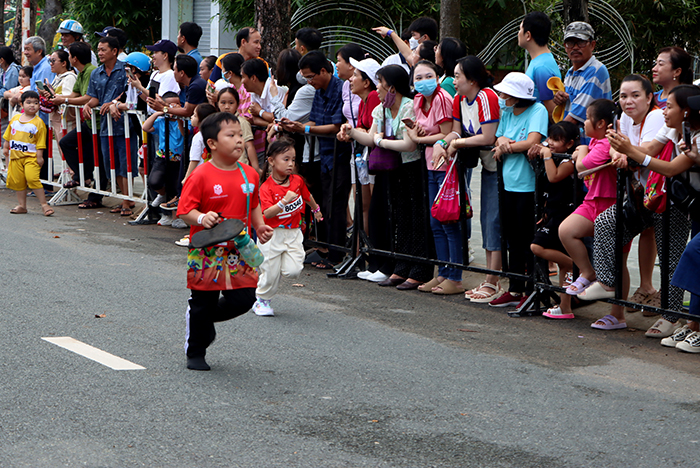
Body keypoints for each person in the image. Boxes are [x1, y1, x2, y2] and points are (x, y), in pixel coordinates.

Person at [592, 85, 698, 335]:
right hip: (649, 196)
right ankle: (606, 282)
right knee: (607, 222)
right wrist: (620, 147)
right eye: (623, 96)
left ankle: (672, 318)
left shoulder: (696, 135)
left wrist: (629, 151)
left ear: (686, 111)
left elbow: (670, 168)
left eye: (669, 106)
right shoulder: (665, 124)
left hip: (677, 201)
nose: (664, 110)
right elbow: (648, 150)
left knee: (672, 259)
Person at [176, 112, 273, 371]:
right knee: (202, 303)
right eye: (231, 135)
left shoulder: (250, 174)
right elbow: (185, 211)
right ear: (212, 144)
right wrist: (202, 216)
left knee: (244, 299)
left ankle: (203, 320)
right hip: (206, 250)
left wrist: (260, 225)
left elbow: (254, 206)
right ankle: (196, 351)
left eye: (240, 134)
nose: (239, 140)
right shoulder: (200, 175)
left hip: (239, 248)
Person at [343, 64, 433, 290]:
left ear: (392, 87)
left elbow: (409, 143)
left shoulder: (408, 107)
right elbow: (371, 137)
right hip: (392, 170)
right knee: (399, 219)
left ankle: (419, 269)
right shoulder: (381, 109)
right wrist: (351, 132)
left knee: (416, 219)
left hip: (411, 168)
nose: (377, 89)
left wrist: (380, 142)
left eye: (380, 84)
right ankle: (401, 267)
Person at [279, 50, 351, 268]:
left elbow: (336, 126)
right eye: (306, 79)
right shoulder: (318, 91)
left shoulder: (340, 89)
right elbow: (318, 123)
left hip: (340, 154)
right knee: (326, 204)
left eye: (311, 77)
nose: (310, 82)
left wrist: (306, 127)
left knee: (336, 205)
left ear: (323, 70)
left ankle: (336, 254)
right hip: (325, 155)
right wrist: (299, 127)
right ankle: (327, 249)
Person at [438, 56, 501, 303]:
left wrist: (456, 143)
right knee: (486, 219)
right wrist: (444, 142)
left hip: (501, 168)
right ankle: (489, 276)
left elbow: (488, 136)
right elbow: (456, 129)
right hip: (488, 167)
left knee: (494, 220)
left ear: (472, 80)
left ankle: (494, 280)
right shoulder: (459, 99)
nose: (453, 81)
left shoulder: (487, 96)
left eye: (458, 76)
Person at [489, 72, 548, 308]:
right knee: (512, 237)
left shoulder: (538, 111)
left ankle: (532, 288)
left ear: (517, 96)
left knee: (528, 238)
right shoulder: (506, 112)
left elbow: (532, 141)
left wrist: (506, 146)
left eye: (505, 93)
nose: (502, 96)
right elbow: (498, 137)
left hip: (528, 184)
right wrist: (504, 142)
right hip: (508, 183)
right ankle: (514, 288)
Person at [405, 60, 460, 294]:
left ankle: (454, 276)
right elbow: (425, 131)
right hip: (430, 164)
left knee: (448, 223)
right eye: (418, 78)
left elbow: (446, 134)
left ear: (437, 77)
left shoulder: (442, 98)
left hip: (445, 166)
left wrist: (418, 139)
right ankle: (442, 273)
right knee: (435, 223)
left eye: (428, 76)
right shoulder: (418, 100)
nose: (423, 81)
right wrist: (415, 130)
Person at [613, 75, 666, 315]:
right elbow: (616, 145)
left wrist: (625, 153)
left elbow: (644, 150)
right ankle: (646, 288)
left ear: (649, 98)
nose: (628, 101)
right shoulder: (625, 117)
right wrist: (618, 153)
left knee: (664, 240)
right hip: (639, 189)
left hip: (660, 189)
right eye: (624, 96)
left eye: (635, 95)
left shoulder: (655, 116)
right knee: (647, 232)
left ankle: (664, 300)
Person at [254, 137, 323, 316]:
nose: (290, 163)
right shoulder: (266, 187)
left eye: (293, 159)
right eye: (286, 159)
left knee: (294, 270)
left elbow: (307, 196)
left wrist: (316, 209)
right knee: (270, 271)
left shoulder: (297, 181)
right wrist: (284, 202)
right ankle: (262, 301)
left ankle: (276, 269)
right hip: (271, 234)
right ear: (271, 160)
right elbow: (266, 213)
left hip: (293, 232)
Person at [558, 99, 616, 296]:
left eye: (587, 119)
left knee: (618, 260)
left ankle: (617, 314)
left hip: (609, 203)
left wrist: (581, 150)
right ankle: (588, 271)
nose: (583, 123)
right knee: (566, 230)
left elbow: (582, 165)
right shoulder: (595, 141)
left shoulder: (606, 142)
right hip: (592, 201)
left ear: (600, 124)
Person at [528, 121, 580, 318]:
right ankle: (565, 307)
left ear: (569, 144)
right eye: (550, 138)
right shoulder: (554, 155)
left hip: (565, 214)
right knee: (562, 266)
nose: (550, 143)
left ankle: (578, 268)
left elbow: (554, 177)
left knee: (537, 246)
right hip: (552, 212)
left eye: (556, 140)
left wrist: (547, 155)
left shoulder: (569, 161)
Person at [83, 36, 138, 216]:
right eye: (98, 50)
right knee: (110, 164)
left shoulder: (126, 71)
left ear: (114, 51)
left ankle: (126, 201)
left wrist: (114, 101)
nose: (99, 53)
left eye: (103, 50)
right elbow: (95, 98)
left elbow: (130, 93)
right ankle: (125, 197)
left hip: (124, 125)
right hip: (106, 127)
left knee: (125, 163)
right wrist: (87, 105)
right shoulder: (96, 73)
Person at [57, 42, 101, 198]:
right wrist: (58, 98)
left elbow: (87, 98)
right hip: (88, 122)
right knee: (67, 143)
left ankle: (88, 184)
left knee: (97, 159)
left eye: (69, 55)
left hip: (97, 123)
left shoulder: (90, 71)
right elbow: (75, 94)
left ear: (74, 58)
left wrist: (63, 101)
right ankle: (82, 176)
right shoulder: (81, 72)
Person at [552, 22, 611, 138]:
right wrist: (560, 99)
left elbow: (574, 117)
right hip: (576, 143)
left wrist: (550, 140)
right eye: (570, 43)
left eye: (581, 42)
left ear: (592, 45)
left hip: (593, 146)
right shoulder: (570, 73)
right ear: (565, 46)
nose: (575, 47)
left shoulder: (596, 71)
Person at [3, 91, 52, 216]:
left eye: (36, 103)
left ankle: (44, 205)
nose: (32, 106)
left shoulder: (39, 123)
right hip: (15, 157)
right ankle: (22, 205)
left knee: (32, 178)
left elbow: (41, 142)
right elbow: (8, 135)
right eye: (28, 103)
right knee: (19, 182)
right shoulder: (15, 119)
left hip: (31, 157)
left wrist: (39, 156)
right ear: (21, 104)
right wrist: (5, 147)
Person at [242, 57, 287, 167]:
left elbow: (278, 117)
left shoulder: (275, 88)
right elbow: (255, 119)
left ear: (253, 78)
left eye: (243, 77)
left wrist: (260, 112)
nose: (242, 81)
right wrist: (271, 123)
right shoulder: (254, 92)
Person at [518, 11, 561, 118]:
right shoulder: (540, 61)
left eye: (520, 29)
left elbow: (551, 111)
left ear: (528, 35)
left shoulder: (541, 67)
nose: (518, 33)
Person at [43, 49, 77, 152]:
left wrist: (54, 95)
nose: (51, 64)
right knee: (61, 148)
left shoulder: (70, 77)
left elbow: (69, 96)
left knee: (67, 150)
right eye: (50, 61)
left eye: (53, 61)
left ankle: (70, 169)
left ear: (64, 63)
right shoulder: (57, 77)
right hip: (58, 118)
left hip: (67, 120)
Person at [215, 87, 257, 171]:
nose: (227, 107)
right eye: (223, 103)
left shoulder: (242, 123)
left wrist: (256, 168)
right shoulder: (215, 123)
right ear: (217, 104)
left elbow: (249, 146)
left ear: (237, 104)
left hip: (239, 167)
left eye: (231, 103)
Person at [373, 17, 438, 68]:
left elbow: (408, 54)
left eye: (414, 35)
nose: (411, 39)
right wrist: (390, 33)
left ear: (425, 37)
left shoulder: (433, 56)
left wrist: (391, 33)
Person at [182, 103, 218, 183]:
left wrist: (186, 178)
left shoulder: (198, 137)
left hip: (200, 175)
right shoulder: (216, 135)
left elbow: (194, 159)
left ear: (202, 120)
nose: (191, 117)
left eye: (194, 115)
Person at [0, 46, 21, 146]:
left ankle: (6, 150)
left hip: (11, 105)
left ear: (2, 60)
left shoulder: (12, 70)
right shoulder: (4, 71)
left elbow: (9, 89)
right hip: (5, 106)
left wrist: (2, 92)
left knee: (6, 128)